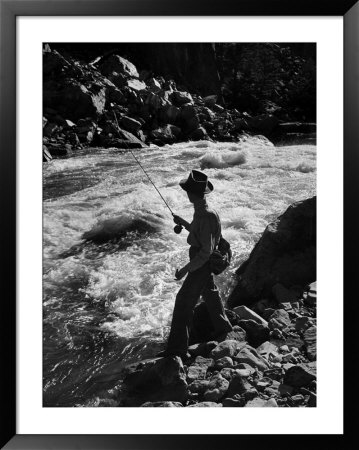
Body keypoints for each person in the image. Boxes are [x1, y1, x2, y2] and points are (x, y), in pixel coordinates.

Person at [161, 169, 233, 359]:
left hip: (201, 264)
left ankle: (177, 350)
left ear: (191, 193)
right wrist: (184, 223)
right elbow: (201, 234)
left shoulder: (204, 215)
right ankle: (223, 326)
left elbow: (205, 251)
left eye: (187, 191)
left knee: (183, 303)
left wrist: (185, 270)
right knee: (210, 293)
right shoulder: (205, 211)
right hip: (203, 263)